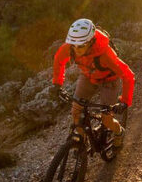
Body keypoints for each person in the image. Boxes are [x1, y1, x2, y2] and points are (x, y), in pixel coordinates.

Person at [52, 18, 134, 147]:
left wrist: (124, 102)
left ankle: (119, 132)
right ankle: (81, 147)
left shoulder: (105, 54)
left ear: (90, 42)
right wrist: (57, 83)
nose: (76, 49)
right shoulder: (71, 47)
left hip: (109, 81)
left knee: (106, 120)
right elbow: (58, 60)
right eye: (74, 45)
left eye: (81, 46)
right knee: (76, 112)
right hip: (88, 77)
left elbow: (128, 75)